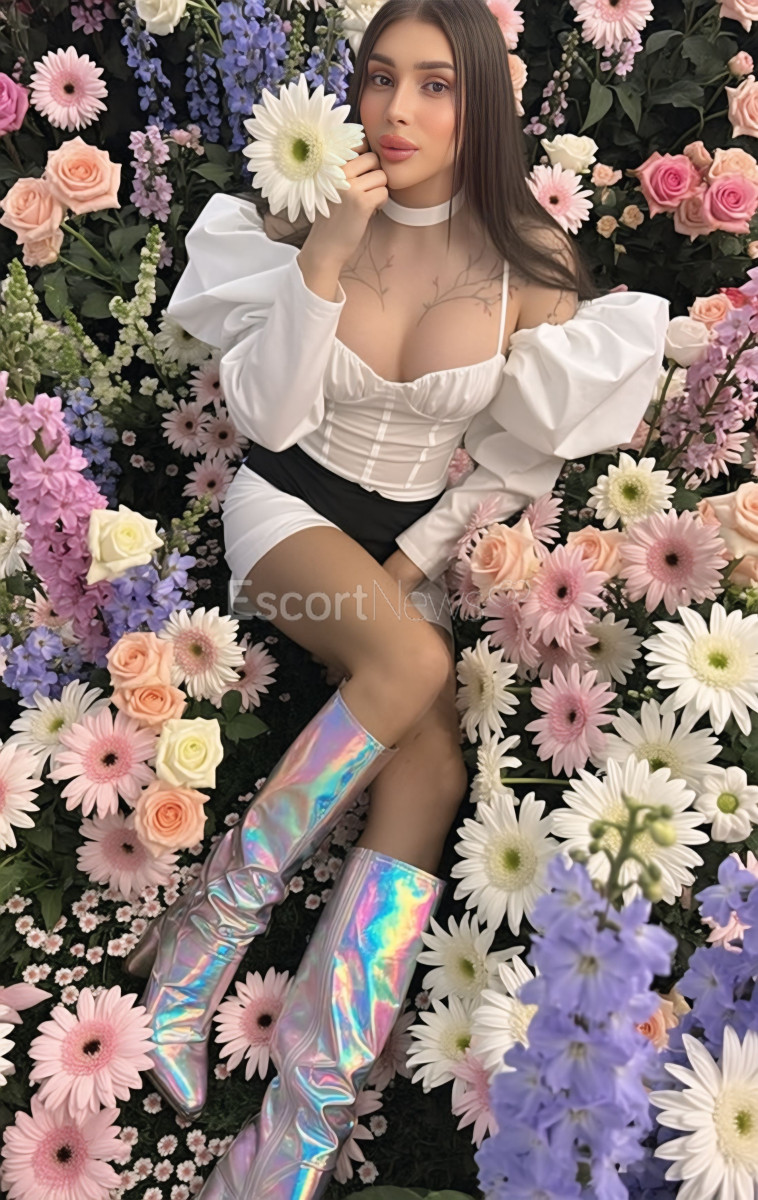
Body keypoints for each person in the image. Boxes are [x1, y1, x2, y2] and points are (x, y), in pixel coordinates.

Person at [126, 0, 670, 1193]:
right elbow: (265, 418)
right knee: (414, 665)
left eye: (433, 84)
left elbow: (503, 467)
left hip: (398, 548)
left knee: (430, 771)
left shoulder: (530, 267)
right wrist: (323, 258)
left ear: (480, 107)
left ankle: (289, 1143)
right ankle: (197, 950)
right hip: (285, 506)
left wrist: (403, 572)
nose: (397, 109)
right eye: (378, 78)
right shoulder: (314, 213)